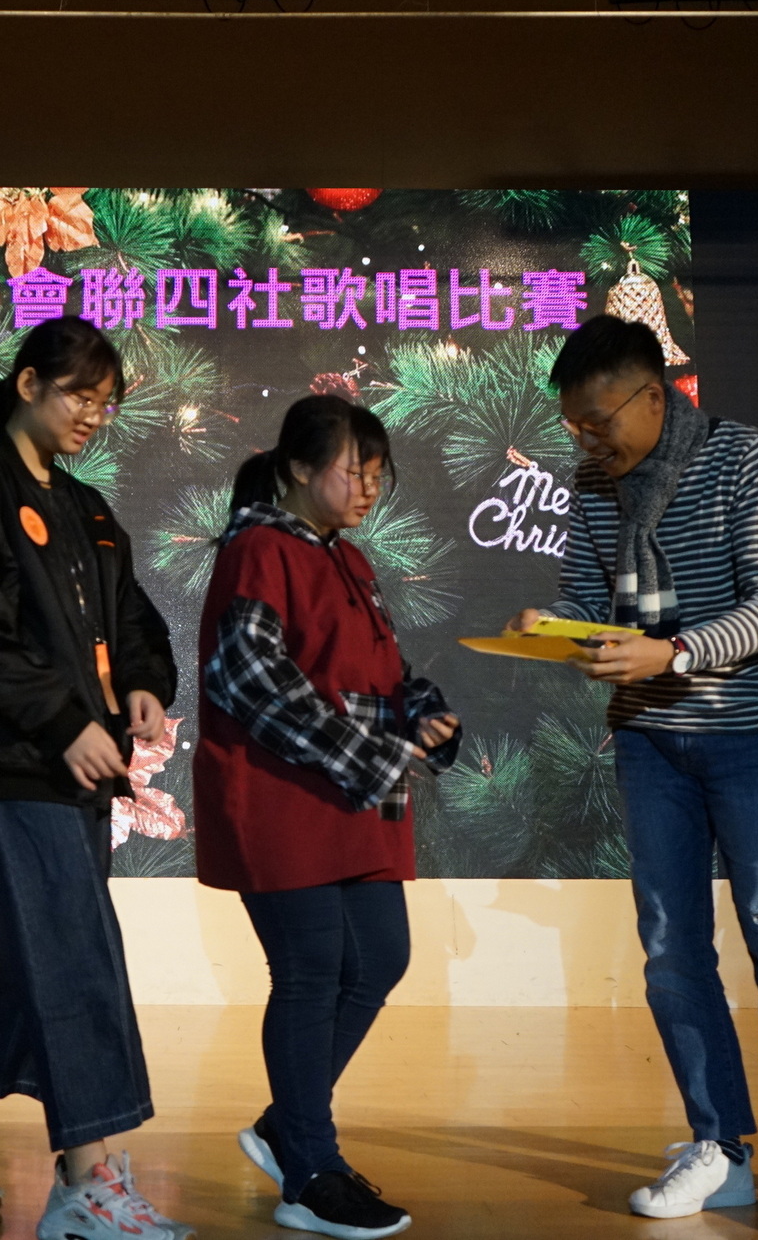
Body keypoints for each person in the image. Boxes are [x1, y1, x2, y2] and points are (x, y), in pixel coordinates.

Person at [510, 314, 758, 1239]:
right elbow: (591, 598)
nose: (587, 442)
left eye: (598, 422)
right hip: (649, 742)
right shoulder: (593, 483)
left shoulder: (745, 457)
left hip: (752, 736)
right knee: (672, 952)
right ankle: (720, 1146)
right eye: (574, 426)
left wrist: (670, 653)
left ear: (652, 393)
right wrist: (554, 624)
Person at [0, 317, 194, 1240]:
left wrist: (143, 683)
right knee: (69, 953)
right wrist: (64, 722)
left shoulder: (86, 506)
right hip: (11, 763)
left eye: (107, 402)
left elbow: (132, 617)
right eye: (78, 395)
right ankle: (86, 1181)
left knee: (39, 952)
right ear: (27, 384)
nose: (93, 414)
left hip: (78, 765)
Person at [194, 394, 460, 1240]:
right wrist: (368, 753)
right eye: (355, 470)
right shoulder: (258, 550)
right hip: (285, 797)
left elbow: (382, 670)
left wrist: (423, 712)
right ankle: (310, 1168)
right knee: (310, 969)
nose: (369, 487)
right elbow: (250, 680)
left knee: (380, 956)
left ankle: (287, 1127)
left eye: (378, 473)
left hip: (354, 797)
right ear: (299, 468)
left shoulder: (349, 557)